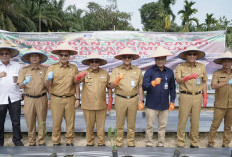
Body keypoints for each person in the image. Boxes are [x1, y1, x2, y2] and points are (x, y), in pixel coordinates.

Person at [45, 43, 80, 146]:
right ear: (58, 56)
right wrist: (48, 79)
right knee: (56, 122)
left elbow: (76, 84)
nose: (63, 57)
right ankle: (56, 141)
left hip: (70, 98)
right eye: (61, 55)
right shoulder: (52, 67)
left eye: (66, 55)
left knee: (70, 122)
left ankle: (69, 141)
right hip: (56, 98)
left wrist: (78, 98)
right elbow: (48, 86)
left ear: (69, 56)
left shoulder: (74, 68)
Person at [75, 53, 112, 146]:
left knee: (101, 126)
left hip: (101, 104)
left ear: (99, 63)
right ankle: (90, 142)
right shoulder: (84, 72)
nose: (94, 63)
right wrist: (79, 77)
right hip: (88, 105)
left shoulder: (105, 73)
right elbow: (75, 81)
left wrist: (110, 100)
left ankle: (101, 142)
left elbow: (109, 87)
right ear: (89, 63)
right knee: (89, 126)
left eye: (96, 61)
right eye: (92, 62)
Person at [109, 47, 144, 147]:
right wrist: (117, 80)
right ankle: (119, 142)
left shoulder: (137, 70)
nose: (127, 58)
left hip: (133, 99)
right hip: (120, 99)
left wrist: (142, 101)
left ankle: (131, 142)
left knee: (131, 123)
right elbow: (110, 86)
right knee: (119, 123)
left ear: (132, 58)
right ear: (121, 58)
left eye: (129, 57)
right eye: (125, 56)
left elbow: (140, 86)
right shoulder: (116, 70)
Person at [142, 47, 176, 147]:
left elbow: (172, 88)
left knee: (163, 126)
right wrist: (151, 83)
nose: (160, 61)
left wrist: (172, 101)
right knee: (150, 126)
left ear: (165, 59)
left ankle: (161, 143)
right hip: (152, 104)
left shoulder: (169, 72)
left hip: (165, 104)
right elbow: (144, 86)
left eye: (162, 58)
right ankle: (148, 143)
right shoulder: (150, 71)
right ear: (155, 60)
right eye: (157, 59)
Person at [175, 46, 208, 148]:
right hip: (185, 96)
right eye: (190, 54)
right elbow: (178, 80)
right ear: (186, 56)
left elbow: (204, 82)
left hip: (198, 97)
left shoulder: (201, 67)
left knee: (195, 121)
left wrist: (205, 96)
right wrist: (188, 77)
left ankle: (194, 143)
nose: (192, 56)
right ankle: (181, 142)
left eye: (194, 54)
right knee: (183, 120)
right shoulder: (180, 67)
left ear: (197, 56)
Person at [17, 48, 48, 146]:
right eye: (32, 56)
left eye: (36, 56)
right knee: (30, 121)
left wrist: (49, 80)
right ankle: (31, 141)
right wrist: (24, 82)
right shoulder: (24, 70)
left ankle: (42, 141)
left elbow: (49, 86)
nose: (34, 58)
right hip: (29, 99)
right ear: (29, 58)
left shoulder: (45, 70)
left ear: (40, 58)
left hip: (42, 98)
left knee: (42, 121)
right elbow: (20, 85)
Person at [0, 43, 24, 146]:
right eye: (2, 54)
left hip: (15, 97)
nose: (4, 55)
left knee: (16, 121)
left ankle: (17, 140)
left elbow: (21, 81)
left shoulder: (17, 66)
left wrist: (22, 93)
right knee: (0, 122)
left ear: (10, 55)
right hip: (1, 98)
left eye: (7, 53)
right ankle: (0, 142)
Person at [207, 51, 232, 148]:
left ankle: (225, 144)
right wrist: (226, 82)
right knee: (215, 125)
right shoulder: (217, 73)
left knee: (228, 126)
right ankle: (210, 142)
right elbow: (213, 86)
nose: (227, 63)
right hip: (220, 104)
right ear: (222, 63)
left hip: (231, 105)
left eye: (229, 61)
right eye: (225, 61)